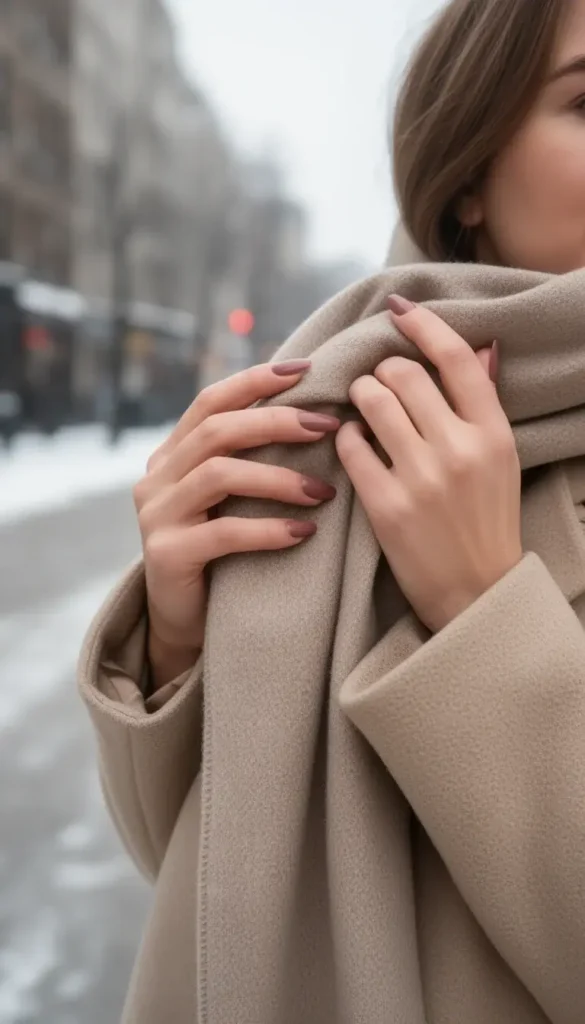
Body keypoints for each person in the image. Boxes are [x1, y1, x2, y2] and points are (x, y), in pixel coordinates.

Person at [78, 0, 585, 1020]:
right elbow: (204, 894)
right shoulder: (337, 425)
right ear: (472, 164)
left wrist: (484, 613)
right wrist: (175, 648)